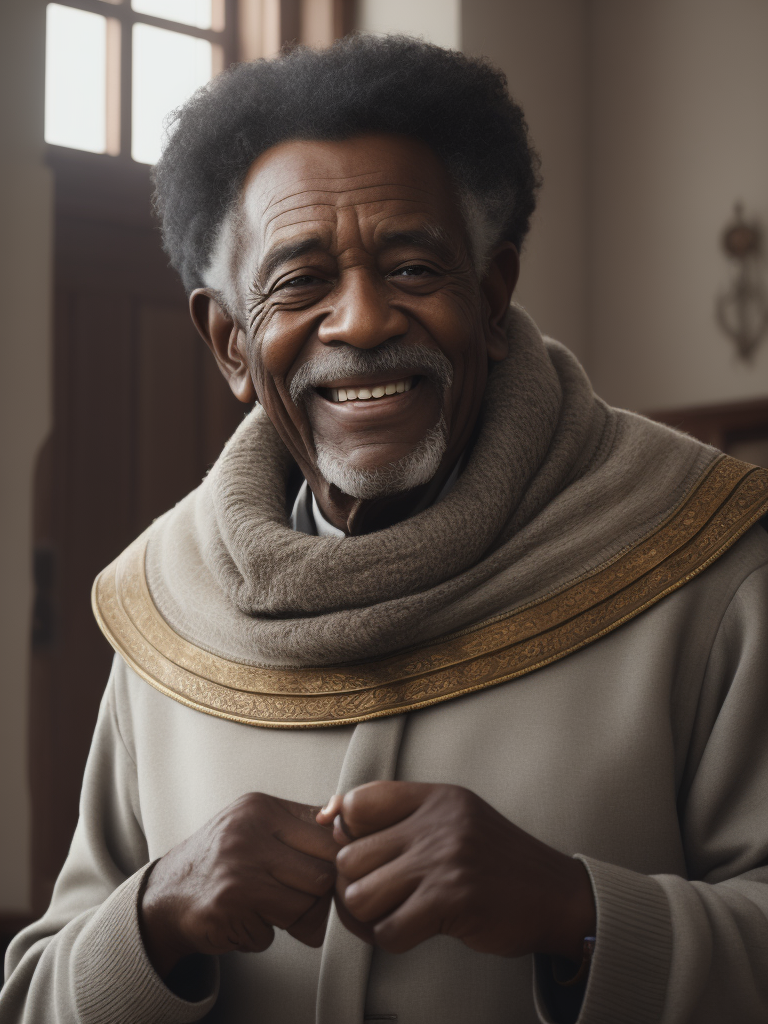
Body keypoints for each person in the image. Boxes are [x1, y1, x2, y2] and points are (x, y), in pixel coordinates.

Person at [3, 34, 768, 1024]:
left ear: (491, 298)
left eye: (412, 268)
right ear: (231, 343)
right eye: (300, 282)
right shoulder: (165, 610)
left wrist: (572, 910)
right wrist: (154, 916)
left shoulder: (703, 559)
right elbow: (37, 997)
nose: (362, 321)